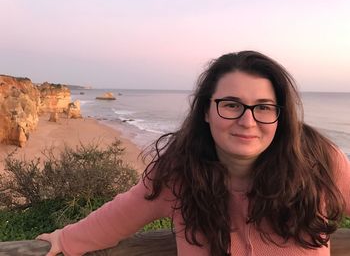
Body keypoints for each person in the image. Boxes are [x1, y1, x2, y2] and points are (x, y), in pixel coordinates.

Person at [37, 51, 350, 256]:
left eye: (264, 107)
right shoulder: (178, 173)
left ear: (280, 116)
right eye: (231, 104)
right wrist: (64, 240)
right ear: (206, 111)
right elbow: (119, 216)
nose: (247, 121)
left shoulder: (319, 160)